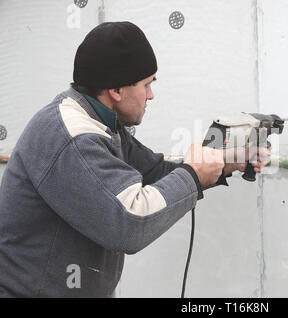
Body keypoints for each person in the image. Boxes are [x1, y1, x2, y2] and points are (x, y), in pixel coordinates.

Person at [0, 21, 270, 297]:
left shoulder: (101, 122)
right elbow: (128, 221)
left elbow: (155, 172)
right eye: (146, 85)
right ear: (116, 91)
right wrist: (193, 175)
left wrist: (228, 163)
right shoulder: (73, 138)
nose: (151, 95)